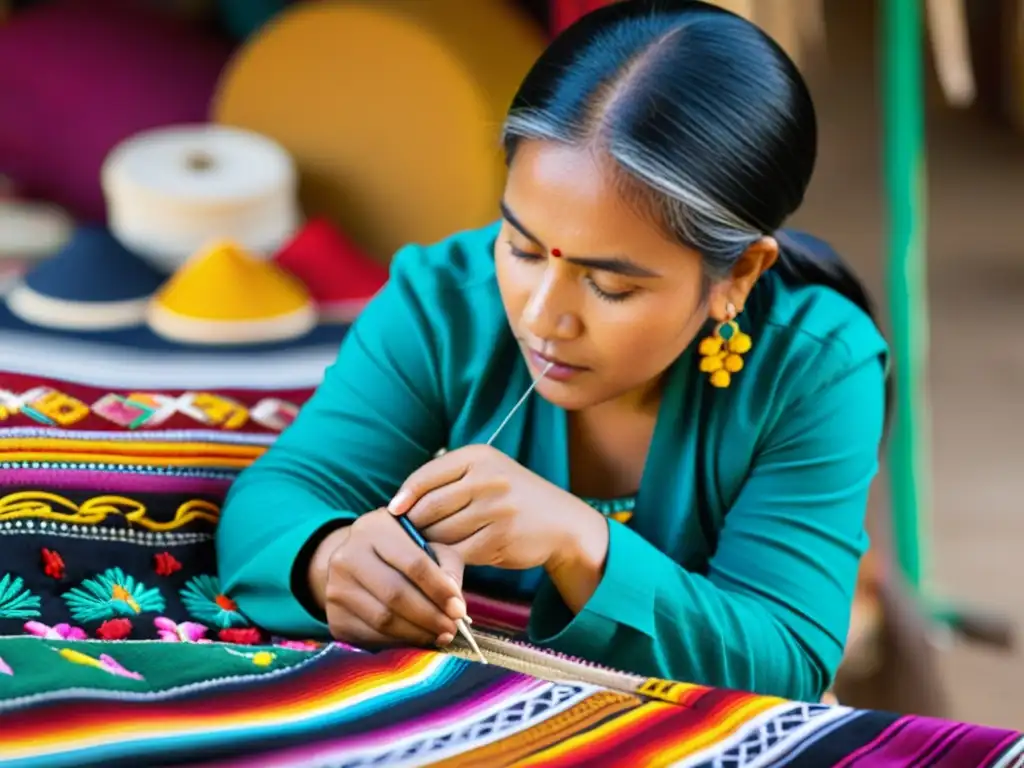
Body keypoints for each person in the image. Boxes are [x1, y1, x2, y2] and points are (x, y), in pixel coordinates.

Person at [216, 0, 888, 703]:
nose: (541, 317)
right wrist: (329, 562)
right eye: (522, 247)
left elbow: (785, 660)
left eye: (609, 285)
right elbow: (280, 495)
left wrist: (582, 545)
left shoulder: (816, 369)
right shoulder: (443, 305)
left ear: (739, 276)